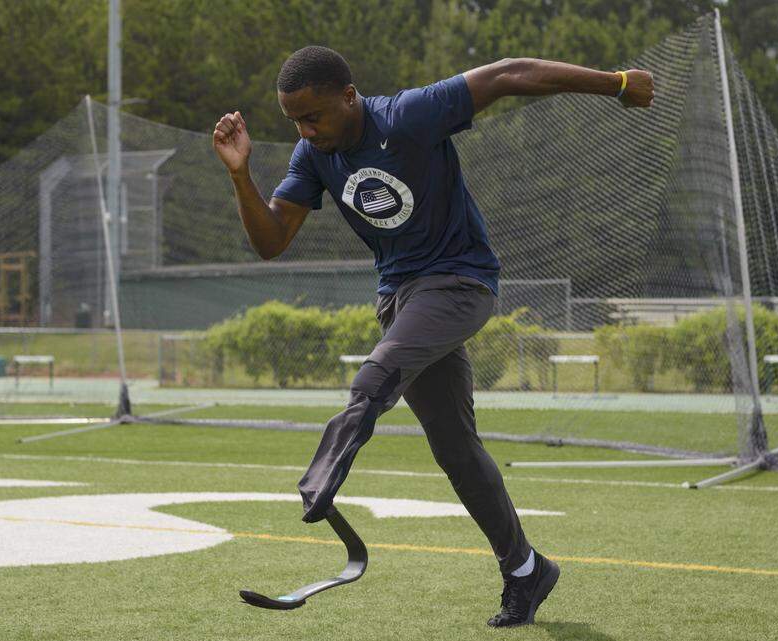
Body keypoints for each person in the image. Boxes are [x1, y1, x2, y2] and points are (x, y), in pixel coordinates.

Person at [211, 46, 653, 627]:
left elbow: (508, 74)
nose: (305, 129)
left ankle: (322, 475)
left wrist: (616, 82)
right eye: (295, 120)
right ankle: (526, 571)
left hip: (460, 284)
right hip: (402, 300)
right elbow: (271, 241)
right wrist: (241, 174)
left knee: (375, 377)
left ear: (350, 97)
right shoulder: (313, 155)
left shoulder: (408, 116)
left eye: (313, 116)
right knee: (455, 449)